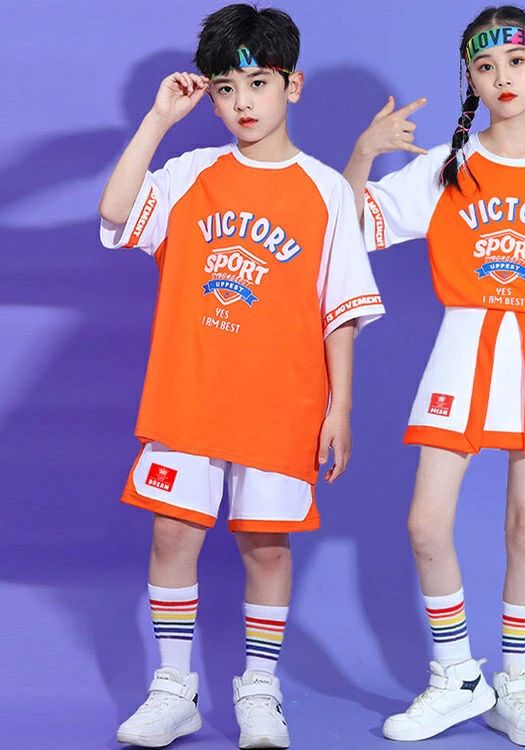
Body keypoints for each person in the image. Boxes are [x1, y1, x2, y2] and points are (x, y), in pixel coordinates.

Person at [343, 5, 525, 745]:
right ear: (470, 79)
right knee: (425, 523)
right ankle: (456, 676)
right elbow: (347, 229)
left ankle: (518, 686)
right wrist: (363, 153)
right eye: (484, 66)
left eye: (515, 61)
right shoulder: (449, 166)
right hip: (462, 348)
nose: (502, 77)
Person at [98, 4, 384, 748]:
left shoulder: (325, 190)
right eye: (225, 89)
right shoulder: (191, 173)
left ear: (294, 85)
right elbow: (116, 210)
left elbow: (340, 309)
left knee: (267, 545)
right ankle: (173, 688)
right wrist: (158, 121)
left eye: (258, 83)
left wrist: (341, 407)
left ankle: (259, 687)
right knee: (172, 534)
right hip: (190, 393)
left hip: (282, 401)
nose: (242, 103)